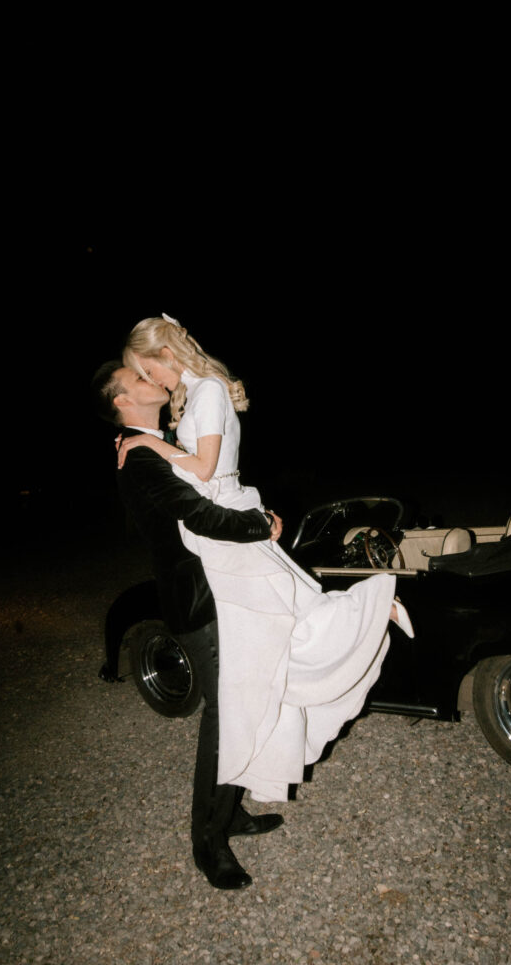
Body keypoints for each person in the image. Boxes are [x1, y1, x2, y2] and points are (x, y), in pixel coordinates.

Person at [117, 315, 415, 805]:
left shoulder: (208, 390)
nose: (154, 383)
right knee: (273, 627)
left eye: (150, 373)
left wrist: (150, 442)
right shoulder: (196, 391)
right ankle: (257, 773)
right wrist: (156, 445)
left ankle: (373, 606)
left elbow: (205, 468)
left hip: (227, 520)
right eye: (143, 379)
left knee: (282, 619)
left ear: (165, 356)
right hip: (221, 524)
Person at [92, 360, 286, 891]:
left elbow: (209, 479)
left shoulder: (158, 440)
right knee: (227, 713)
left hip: (222, 583)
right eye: (136, 379)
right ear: (121, 403)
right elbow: (197, 516)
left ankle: (230, 810)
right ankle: (208, 840)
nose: (150, 378)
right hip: (198, 596)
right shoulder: (136, 458)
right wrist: (260, 523)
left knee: (244, 700)